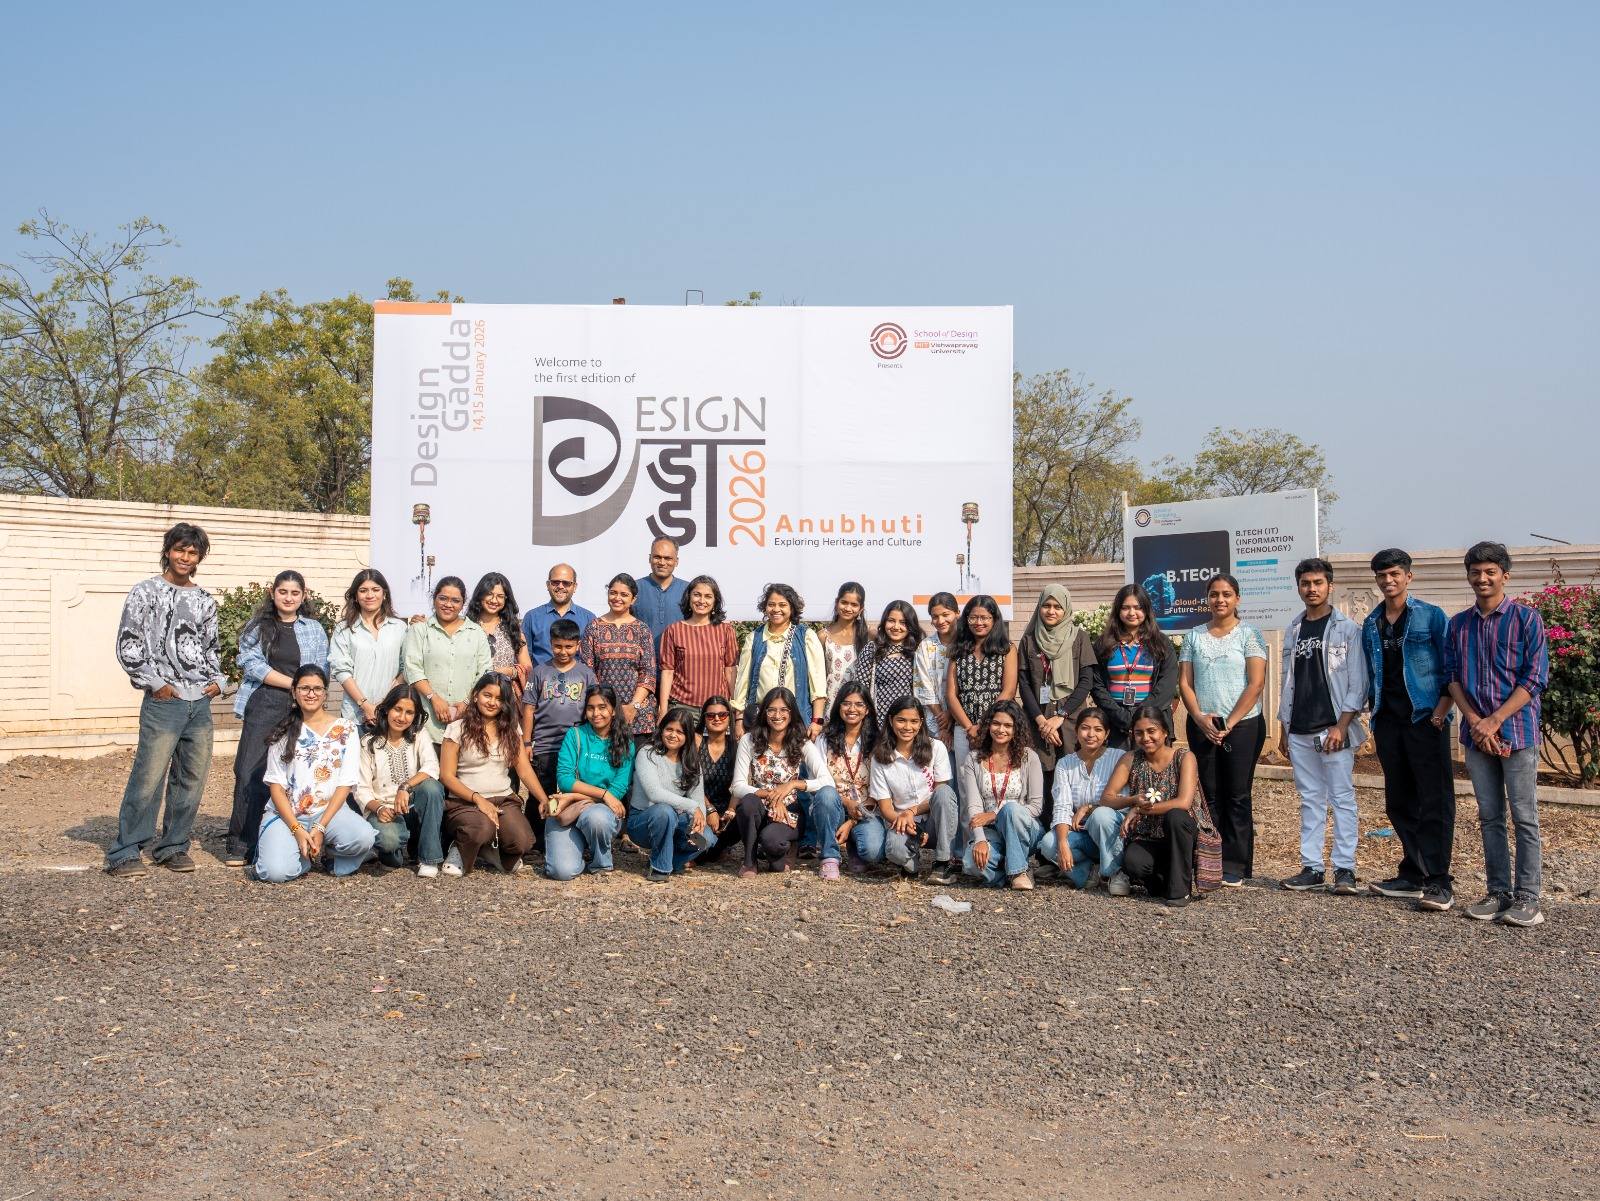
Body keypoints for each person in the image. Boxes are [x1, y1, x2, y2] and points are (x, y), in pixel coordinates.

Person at [106, 522, 224, 878]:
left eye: (193, 552)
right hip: (164, 702)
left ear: (199, 558)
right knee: (149, 778)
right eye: (180, 550)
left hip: (199, 703)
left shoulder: (205, 600)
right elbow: (128, 644)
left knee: (191, 779)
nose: (185, 557)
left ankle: (173, 847)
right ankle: (125, 852)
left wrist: (217, 681)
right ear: (168, 551)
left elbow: (211, 647)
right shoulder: (145, 592)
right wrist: (156, 684)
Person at [1446, 542, 1549, 928]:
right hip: (1477, 736)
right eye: (1476, 572)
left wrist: (1495, 720)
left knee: (1524, 817)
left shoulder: (1526, 620)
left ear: (1505, 575)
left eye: (1490, 571)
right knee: (1489, 816)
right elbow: (1452, 677)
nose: (1482, 578)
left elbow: (1534, 678)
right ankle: (1498, 892)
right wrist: (1476, 721)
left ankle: (1528, 899)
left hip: (1517, 733)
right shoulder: (1458, 625)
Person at [1362, 548, 1457, 912]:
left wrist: (1441, 712)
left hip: (1425, 719)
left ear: (1408, 577)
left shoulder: (1431, 616)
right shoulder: (1372, 622)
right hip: (1388, 721)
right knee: (1399, 801)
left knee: (1435, 800)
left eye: (1395, 574)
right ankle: (1413, 873)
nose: (1388, 581)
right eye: (1382, 576)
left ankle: (1439, 881)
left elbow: (1449, 667)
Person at [226, 570, 330, 867]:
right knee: (249, 770)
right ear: (273, 593)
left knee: (296, 772)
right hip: (266, 700)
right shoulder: (258, 627)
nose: (288, 597)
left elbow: (322, 667)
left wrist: (306, 693)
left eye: (295, 593)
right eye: (283, 591)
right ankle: (241, 843)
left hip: (302, 705)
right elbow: (251, 663)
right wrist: (294, 684)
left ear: (303, 596)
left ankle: (285, 838)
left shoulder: (314, 629)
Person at [1278, 558, 1369, 896]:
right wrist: (1284, 728)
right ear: (1298, 587)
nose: (1311, 589)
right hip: (1299, 729)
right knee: (1310, 800)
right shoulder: (1294, 628)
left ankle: (1345, 869)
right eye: (1305, 583)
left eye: (1318, 583)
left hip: (1332, 729)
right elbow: (1288, 682)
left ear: (1330, 586)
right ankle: (1312, 867)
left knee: (1342, 798)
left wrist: (1341, 726)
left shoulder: (1347, 629)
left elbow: (1357, 684)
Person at [1177, 574, 1269, 887]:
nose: (1220, 600)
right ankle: (1209, 858)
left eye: (1226, 594)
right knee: (1209, 795)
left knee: (1237, 794)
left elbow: (1256, 683)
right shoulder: (1194, 636)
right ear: (1207, 598)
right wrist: (1199, 718)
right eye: (1214, 594)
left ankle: (1235, 864)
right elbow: (1185, 683)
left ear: (1237, 598)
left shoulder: (1249, 634)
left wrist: (1229, 722)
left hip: (1242, 725)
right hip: (1203, 725)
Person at [253, 665, 374, 883]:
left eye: (317, 688)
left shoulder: (346, 729)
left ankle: (330, 855)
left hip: (328, 812)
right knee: (275, 873)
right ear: (294, 692)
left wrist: (320, 826)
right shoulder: (283, 732)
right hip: (288, 815)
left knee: (363, 837)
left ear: (325, 693)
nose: (311, 694)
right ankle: (302, 855)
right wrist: (297, 829)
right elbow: (276, 787)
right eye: (304, 688)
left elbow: (345, 784)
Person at [1098, 705, 1209, 907]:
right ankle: (1163, 881)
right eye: (1139, 733)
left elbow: (1183, 802)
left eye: (1151, 731)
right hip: (1148, 835)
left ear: (1165, 732)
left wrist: (1139, 810)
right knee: (1133, 863)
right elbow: (1107, 798)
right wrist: (1132, 800)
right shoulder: (1131, 758)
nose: (1146, 738)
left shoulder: (1184, 757)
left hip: (1181, 834)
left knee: (1175, 816)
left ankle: (1180, 892)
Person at [439, 673, 545, 876]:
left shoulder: (511, 729)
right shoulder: (456, 729)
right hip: (466, 801)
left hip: (503, 799)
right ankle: (459, 846)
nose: (492, 702)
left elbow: (524, 770)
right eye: (487, 695)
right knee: (481, 828)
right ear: (476, 695)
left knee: (522, 841)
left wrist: (543, 799)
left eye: (499, 699)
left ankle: (489, 850)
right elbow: (446, 776)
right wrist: (478, 799)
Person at [729, 688, 838, 879]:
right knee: (747, 803)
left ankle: (787, 847)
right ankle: (749, 861)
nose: (777, 715)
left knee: (773, 849)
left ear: (792, 712)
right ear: (764, 712)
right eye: (771, 710)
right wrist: (772, 796)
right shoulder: (749, 740)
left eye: (783, 710)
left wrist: (793, 785)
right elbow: (737, 786)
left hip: (788, 812)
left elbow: (827, 781)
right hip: (760, 807)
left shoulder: (801, 742)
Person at [520, 617, 599, 852]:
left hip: (575, 746)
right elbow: (528, 708)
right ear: (550, 643)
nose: (563, 652)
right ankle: (536, 842)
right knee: (540, 793)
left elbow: (593, 708)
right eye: (558, 646)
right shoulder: (539, 672)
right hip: (545, 744)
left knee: (572, 793)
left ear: (578, 645)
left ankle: (572, 841)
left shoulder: (586, 674)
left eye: (569, 647)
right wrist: (527, 742)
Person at [544, 685, 634, 880]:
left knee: (596, 818)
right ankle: (580, 850)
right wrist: (603, 794)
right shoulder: (575, 735)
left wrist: (574, 796)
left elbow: (618, 789)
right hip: (569, 811)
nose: (596, 713)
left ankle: (600, 862)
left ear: (613, 710)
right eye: (591, 708)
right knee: (561, 872)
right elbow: (565, 780)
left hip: (601, 812)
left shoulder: (625, 742)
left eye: (602, 707)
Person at [356, 683, 446, 877]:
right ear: (387, 709)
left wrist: (405, 787)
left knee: (432, 788)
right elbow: (361, 789)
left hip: (412, 807)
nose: (402, 717)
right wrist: (379, 809)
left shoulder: (419, 735)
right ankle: (391, 852)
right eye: (397, 709)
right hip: (385, 811)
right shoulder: (368, 743)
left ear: (415, 715)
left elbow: (432, 767)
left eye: (409, 712)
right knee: (389, 843)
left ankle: (428, 859)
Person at [867, 696, 960, 883]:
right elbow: (885, 808)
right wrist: (909, 825)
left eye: (914, 721)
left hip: (934, 820)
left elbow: (941, 794)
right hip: (902, 821)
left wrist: (911, 811)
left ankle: (943, 862)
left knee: (944, 793)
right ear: (891, 721)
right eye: (901, 720)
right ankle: (912, 864)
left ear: (921, 723)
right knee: (894, 850)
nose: (907, 727)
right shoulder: (880, 757)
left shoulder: (936, 747)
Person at [1016, 584, 1096, 795]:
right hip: (1038, 720)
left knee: (1073, 774)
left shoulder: (1080, 638)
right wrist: (1042, 722)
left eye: (1058, 607)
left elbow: (1086, 681)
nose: (1051, 611)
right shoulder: (1029, 641)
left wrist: (1060, 716)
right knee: (1042, 778)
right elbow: (1024, 684)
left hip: (1071, 720)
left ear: (1066, 609)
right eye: (1046, 605)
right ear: (1039, 607)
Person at [1037, 708, 1127, 889]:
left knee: (1101, 816)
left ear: (1107, 734)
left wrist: (1090, 807)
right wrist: (1063, 843)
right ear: (1076, 731)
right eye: (1085, 728)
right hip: (1081, 833)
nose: (1091, 734)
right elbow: (1062, 806)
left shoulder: (1119, 757)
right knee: (1048, 845)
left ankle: (1116, 872)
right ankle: (1090, 872)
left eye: (1098, 729)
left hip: (1112, 831)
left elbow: (1123, 801)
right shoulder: (1065, 764)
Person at [960, 700, 1046, 889]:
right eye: (996, 723)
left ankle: (1017, 872)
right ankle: (1012, 868)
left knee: (1011, 810)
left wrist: (994, 815)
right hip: (991, 831)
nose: (1001, 730)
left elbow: (1036, 807)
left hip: (1024, 828)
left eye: (1008, 725)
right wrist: (980, 840)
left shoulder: (1029, 757)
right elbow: (974, 806)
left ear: (1016, 729)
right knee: (972, 864)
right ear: (988, 725)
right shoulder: (973, 759)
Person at [628, 708, 717, 883]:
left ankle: (667, 859)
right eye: (669, 729)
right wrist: (692, 807)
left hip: (677, 822)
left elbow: (698, 800)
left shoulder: (691, 762)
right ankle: (660, 869)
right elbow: (654, 793)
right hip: (644, 823)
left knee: (706, 839)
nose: (673, 735)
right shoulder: (647, 753)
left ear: (687, 736)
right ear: (661, 730)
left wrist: (698, 826)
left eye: (680, 732)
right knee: (664, 811)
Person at [944, 594, 1018, 799]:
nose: (978, 622)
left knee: (995, 781)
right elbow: (951, 694)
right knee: (965, 784)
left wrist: (984, 725)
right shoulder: (957, 650)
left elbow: (1009, 691)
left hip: (997, 727)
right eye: (973, 617)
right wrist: (970, 727)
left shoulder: (1007, 649)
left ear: (994, 619)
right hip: (964, 729)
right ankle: (969, 822)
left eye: (984, 617)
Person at [402, 576, 492, 747]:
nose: (448, 604)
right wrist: (434, 698)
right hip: (427, 723)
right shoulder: (420, 630)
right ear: (434, 599)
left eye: (455, 600)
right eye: (443, 598)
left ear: (463, 603)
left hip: (466, 721)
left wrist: (467, 703)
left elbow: (485, 672)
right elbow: (411, 668)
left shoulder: (476, 633)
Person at [1089, 584, 1178, 749]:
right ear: (1118, 610)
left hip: (1152, 722)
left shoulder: (1161, 643)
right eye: (1126, 608)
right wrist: (1122, 717)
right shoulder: (1103, 644)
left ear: (1147, 610)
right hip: (1114, 723)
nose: (1132, 613)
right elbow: (1096, 685)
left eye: (1138, 607)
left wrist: (1139, 716)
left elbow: (1166, 686)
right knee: (1116, 766)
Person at [732, 583, 827, 737]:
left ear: (792, 607)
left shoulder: (806, 636)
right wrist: (739, 719)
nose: (776, 609)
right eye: (771, 604)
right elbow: (742, 683)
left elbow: (818, 682)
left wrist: (817, 721)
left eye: (782, 605)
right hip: (761, 721)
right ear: (765, 607)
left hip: (796, 720)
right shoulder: (754, 638)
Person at [580, 573, 659, 740]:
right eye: (613, 593)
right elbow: (587, 671)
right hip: (603, 714)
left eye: (624, 594)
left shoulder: (642, 629)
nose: (617, 598)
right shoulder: (593, 627)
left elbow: (648, 673)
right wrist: (605, 707)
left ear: (633, 599)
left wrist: (633, 706)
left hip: (638, 713)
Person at [328, 568, 407, 725]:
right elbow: (342, 670)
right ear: (356, 596)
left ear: (384, 594)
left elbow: (406, 668)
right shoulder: (344, 629)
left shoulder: (400, 628)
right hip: (354, 715)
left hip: (391, 713)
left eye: (375, 590)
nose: (370, 595)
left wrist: (384, 704)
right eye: (363, 590)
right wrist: (365, 706)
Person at [658, 574, 739, 724]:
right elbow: (667, 671)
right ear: (689, 598)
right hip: (682, 707)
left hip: (717, 710)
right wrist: (663, 710)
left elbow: (730, 670)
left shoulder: (726, 631)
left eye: (708, 596)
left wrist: (735, 707)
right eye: (697, 595)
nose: (702, 601)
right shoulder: (674, 630)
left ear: (715, 601)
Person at [816, 685, 877, 870]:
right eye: (846, 703)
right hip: (833, 806)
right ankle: (829, 856)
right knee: (826, 794)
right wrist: (847, 803)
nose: (852, 709)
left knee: (872, 851)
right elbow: (819, 782)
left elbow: (881, 788)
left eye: (859, 704)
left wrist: (852, 821)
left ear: (867, 709)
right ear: (838, 706)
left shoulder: (878, 740)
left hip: (867, 809)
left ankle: (854, 843)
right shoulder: (824, 739)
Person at [847, 599, 924, 722]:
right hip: (879, 721)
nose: (896, 627)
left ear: (911, 625)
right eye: (891, 621)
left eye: (903, 622)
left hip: (910, 723)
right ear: (884, 622)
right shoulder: (872, 649)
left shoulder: (919, 650)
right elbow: (861, 689)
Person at [521, 563, 596, 667]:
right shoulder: (532, 617)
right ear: (548, 585)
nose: (560, 586)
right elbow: (524, 658)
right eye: (555, 582)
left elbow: (593, 659)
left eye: (566, 583)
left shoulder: (589, 619)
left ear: (574, 587)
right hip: (540, 677)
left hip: (578, 677)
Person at [468, 571, 533, 689]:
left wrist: (510, 672)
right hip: (471, 692)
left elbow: (527, 669)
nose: (494, 600)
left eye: (500, 596)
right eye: (489, 594)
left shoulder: (513, 629)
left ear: (506, 599)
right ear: (480, 595)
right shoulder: (467, 626)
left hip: (504, 694)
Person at [694, 696, 739, 862]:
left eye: (722, 714)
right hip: (698, 808)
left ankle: (718, 847)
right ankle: (703, 849)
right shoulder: (696, 742)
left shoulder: (737, 746)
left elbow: (741, 784)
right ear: (704, 718)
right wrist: (709, 809)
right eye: (711, 715)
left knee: (746, 814)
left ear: (729, 717)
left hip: (726, 814)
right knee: (702, 845)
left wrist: (729, 812)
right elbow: (691, 781)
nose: (717, 719)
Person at [915, 591, 960, 741]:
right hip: (936, 724)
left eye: (946, 615)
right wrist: (942, 721)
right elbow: (924, 685)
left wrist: (951, 714)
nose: (940, 621)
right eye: (935, 616)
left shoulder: (967, 644)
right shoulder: (925, 646)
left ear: (957, 613)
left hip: (964, 720)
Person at [818, 582, 868, 708]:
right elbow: (817, 676)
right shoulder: (823, 636)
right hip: (830, 703)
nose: (848, 608)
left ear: (861, 608)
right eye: (844, 602)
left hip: (859, 706)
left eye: (854, 605)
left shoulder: (868, 636)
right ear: (837, 602)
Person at [634, 537, 689, 648]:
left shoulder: (689, 590)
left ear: (676, 561)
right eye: (657, 557)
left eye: (668, 558)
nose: (662, 562)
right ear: (650, 558)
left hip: (679, 657)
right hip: (642, 657)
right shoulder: (633, 588)